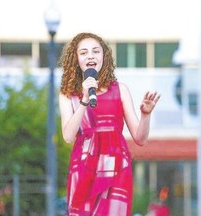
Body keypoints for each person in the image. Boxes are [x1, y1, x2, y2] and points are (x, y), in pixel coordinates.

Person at [58, 32, 161, 216]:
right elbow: (67, 136)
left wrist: (145, 115)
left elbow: (140, 138)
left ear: (103, 56)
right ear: (76, 59)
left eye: (96, 51)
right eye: (84, 52)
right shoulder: (68, 95)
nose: (90, 55)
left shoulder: (120, 90)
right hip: (84, 166)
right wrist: (84, 98)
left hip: (116, 166)